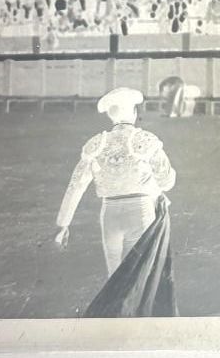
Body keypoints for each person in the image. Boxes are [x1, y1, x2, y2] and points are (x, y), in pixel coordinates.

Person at [53, 87, 179, 316]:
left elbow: (76, 184)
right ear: (133, 112)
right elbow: (168, 180)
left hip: (109, 214)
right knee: (138, 277)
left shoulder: (96, 144)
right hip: (140, 212)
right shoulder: (145, 140)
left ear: (110, 115)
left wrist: (63, 223)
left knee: (115, 279)